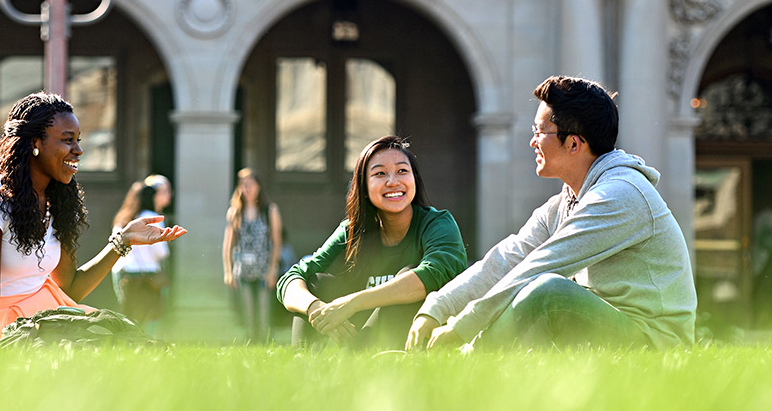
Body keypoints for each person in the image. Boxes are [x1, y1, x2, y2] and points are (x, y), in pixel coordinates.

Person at [406, 76, 698, 353]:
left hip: (655, 343)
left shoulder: (620, 195)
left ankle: (463, 364)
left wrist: (460, 329)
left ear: (574, 143)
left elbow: (538, 267)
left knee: (549, 292)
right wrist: (436, 308)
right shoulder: (567, 201)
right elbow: (507, 259)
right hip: (607, 326)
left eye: (539, 132)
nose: (532, 141)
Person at [0, 92, 187, 351]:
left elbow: (69, 289)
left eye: (78, 140)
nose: (78, 150)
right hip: (0, 326)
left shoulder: (57, 200)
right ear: (35, 143)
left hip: (48, 317)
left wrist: (123, 241)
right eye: (67, 140)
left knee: (140, 352)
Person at [278, 136, 468, 350]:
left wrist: (352, 303)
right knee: (317, 282)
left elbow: (434, 274)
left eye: (402, 171)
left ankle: (361, 360)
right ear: (364, 186)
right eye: (380, 173)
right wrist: (315, 309)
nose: (393, 181)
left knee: (409, 276)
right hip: (360, 333)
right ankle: (306, 366)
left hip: (417, 338)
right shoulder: (352, 231)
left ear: (415, 179)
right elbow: (292, 278)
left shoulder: (438, 223)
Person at [223, 168, 283, 343]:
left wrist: (273, 268)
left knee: (264, 315)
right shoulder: (235, 213)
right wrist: (228, 270)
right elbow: (229, 243)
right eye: (243, 184)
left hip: (264, 268)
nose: (246, 188)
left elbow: (276, 241)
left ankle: (265, 346)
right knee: (247, 314)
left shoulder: (269, 211)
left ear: (258, 186)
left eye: (250, 184)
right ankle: (251, 345)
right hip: (243, 270)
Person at [110, 174, 175, 336]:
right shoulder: (152, 218)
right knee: (149, 319)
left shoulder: (123, 218)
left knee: (129, 318)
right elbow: (162, 252)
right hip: (147, 276)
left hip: (123, 273)